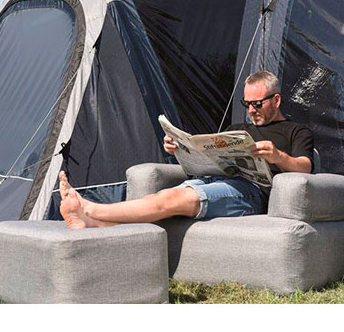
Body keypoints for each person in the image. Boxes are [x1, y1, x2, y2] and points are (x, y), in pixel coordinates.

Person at [59, 70, 314, 229]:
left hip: (251, 192)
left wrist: (278, 156)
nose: (251, 110)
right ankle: (92, 222)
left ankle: (89, 208)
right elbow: (209, 156)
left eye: (257, 104)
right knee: (160, 197)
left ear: (276, 100)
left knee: (172, 200)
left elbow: (305, 168)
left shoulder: (296, 131)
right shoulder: (237, 128)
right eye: (246, 104)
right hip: (214, 179)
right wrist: (178, 149)